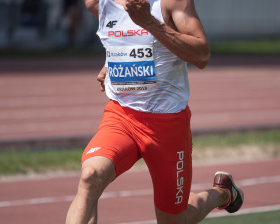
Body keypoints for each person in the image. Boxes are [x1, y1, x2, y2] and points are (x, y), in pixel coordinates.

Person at [66, 0, 244, 223]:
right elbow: (123, 38)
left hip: (166, 124)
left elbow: (202, 55)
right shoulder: (97, 3)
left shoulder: (172, 2)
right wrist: (110, 62)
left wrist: (150, 22)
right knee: (91, 176)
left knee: (174, 220)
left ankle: (223, 193)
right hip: (122, 116)